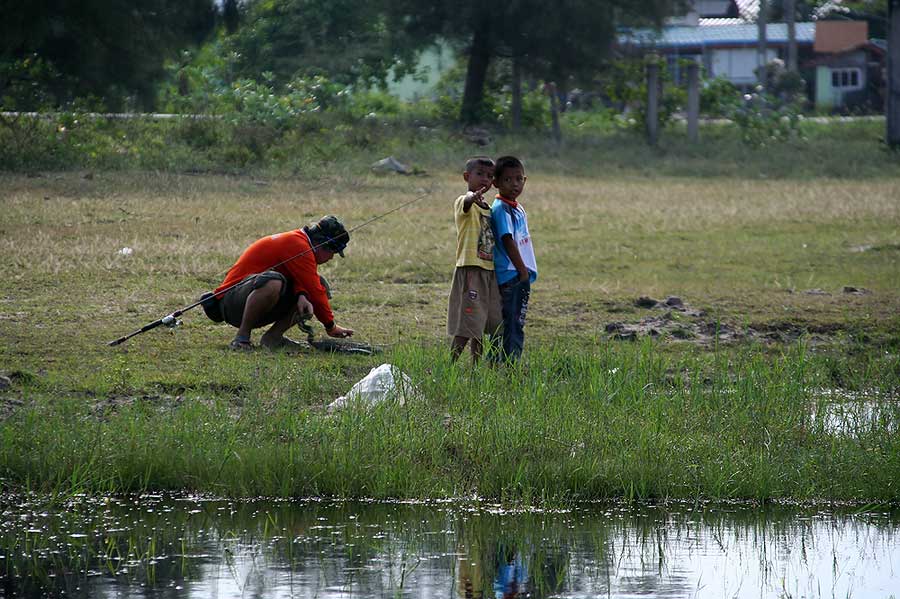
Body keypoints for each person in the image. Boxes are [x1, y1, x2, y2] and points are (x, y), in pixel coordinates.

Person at [201, 215, 354, 350]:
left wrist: (301, 293)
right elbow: (314, 290)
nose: (331, 258)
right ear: (322, 245)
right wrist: (330, 326)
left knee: (315, 286)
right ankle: (242, 337)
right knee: (273, 282)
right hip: (230, 303)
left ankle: (273, 338)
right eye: (332, 253)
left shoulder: (301, 242)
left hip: (248, 299)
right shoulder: (299, 245)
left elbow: (305, 281)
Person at [447, 156, 502, 362]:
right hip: (471, 269)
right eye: (479, 174)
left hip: (488, 270)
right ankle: (450, 364)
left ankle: (475, 368)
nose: (485, 180)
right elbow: (468, 200)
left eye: (489, 176)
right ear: (466, 176)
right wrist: (472, 196)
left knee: (481, 321)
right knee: (468, 321)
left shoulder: (488, 208)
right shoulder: (464, 201)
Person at [490, 156, 537, 362]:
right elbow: (508, 240)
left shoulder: (517, 207)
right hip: (512, 275)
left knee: (514, 322)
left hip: (518, 274)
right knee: (511, 324)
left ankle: (504, 364)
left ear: (525, 180)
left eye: (518, 179)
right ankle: (509, 367)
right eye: (508, 180)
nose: (515, 184)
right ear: (496, 183)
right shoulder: (501, 208)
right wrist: (522, 271)